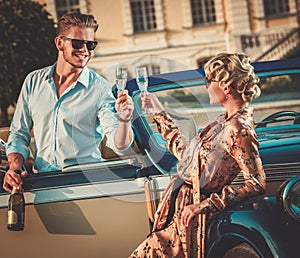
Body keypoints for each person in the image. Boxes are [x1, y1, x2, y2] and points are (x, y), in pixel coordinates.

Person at [130, 53, 266, 257]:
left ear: (225, 86)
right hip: (179, 211)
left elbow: (256, 183)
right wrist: (159, 113)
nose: (206, 86)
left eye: (208, 80)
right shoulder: (223, 121)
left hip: (192, 216)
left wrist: (203, 205)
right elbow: (186, 156)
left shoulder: (239, 128)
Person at [3, 12, 134, 193]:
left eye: (90, 44)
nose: (85, 50)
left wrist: (125, 120)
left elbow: (119, 143)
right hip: (43, 184)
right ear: (59, 43)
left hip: (87, 185)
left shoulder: (101, 90)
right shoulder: (33, 82)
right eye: (78, 43)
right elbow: (19, 134)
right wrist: (15, 168)